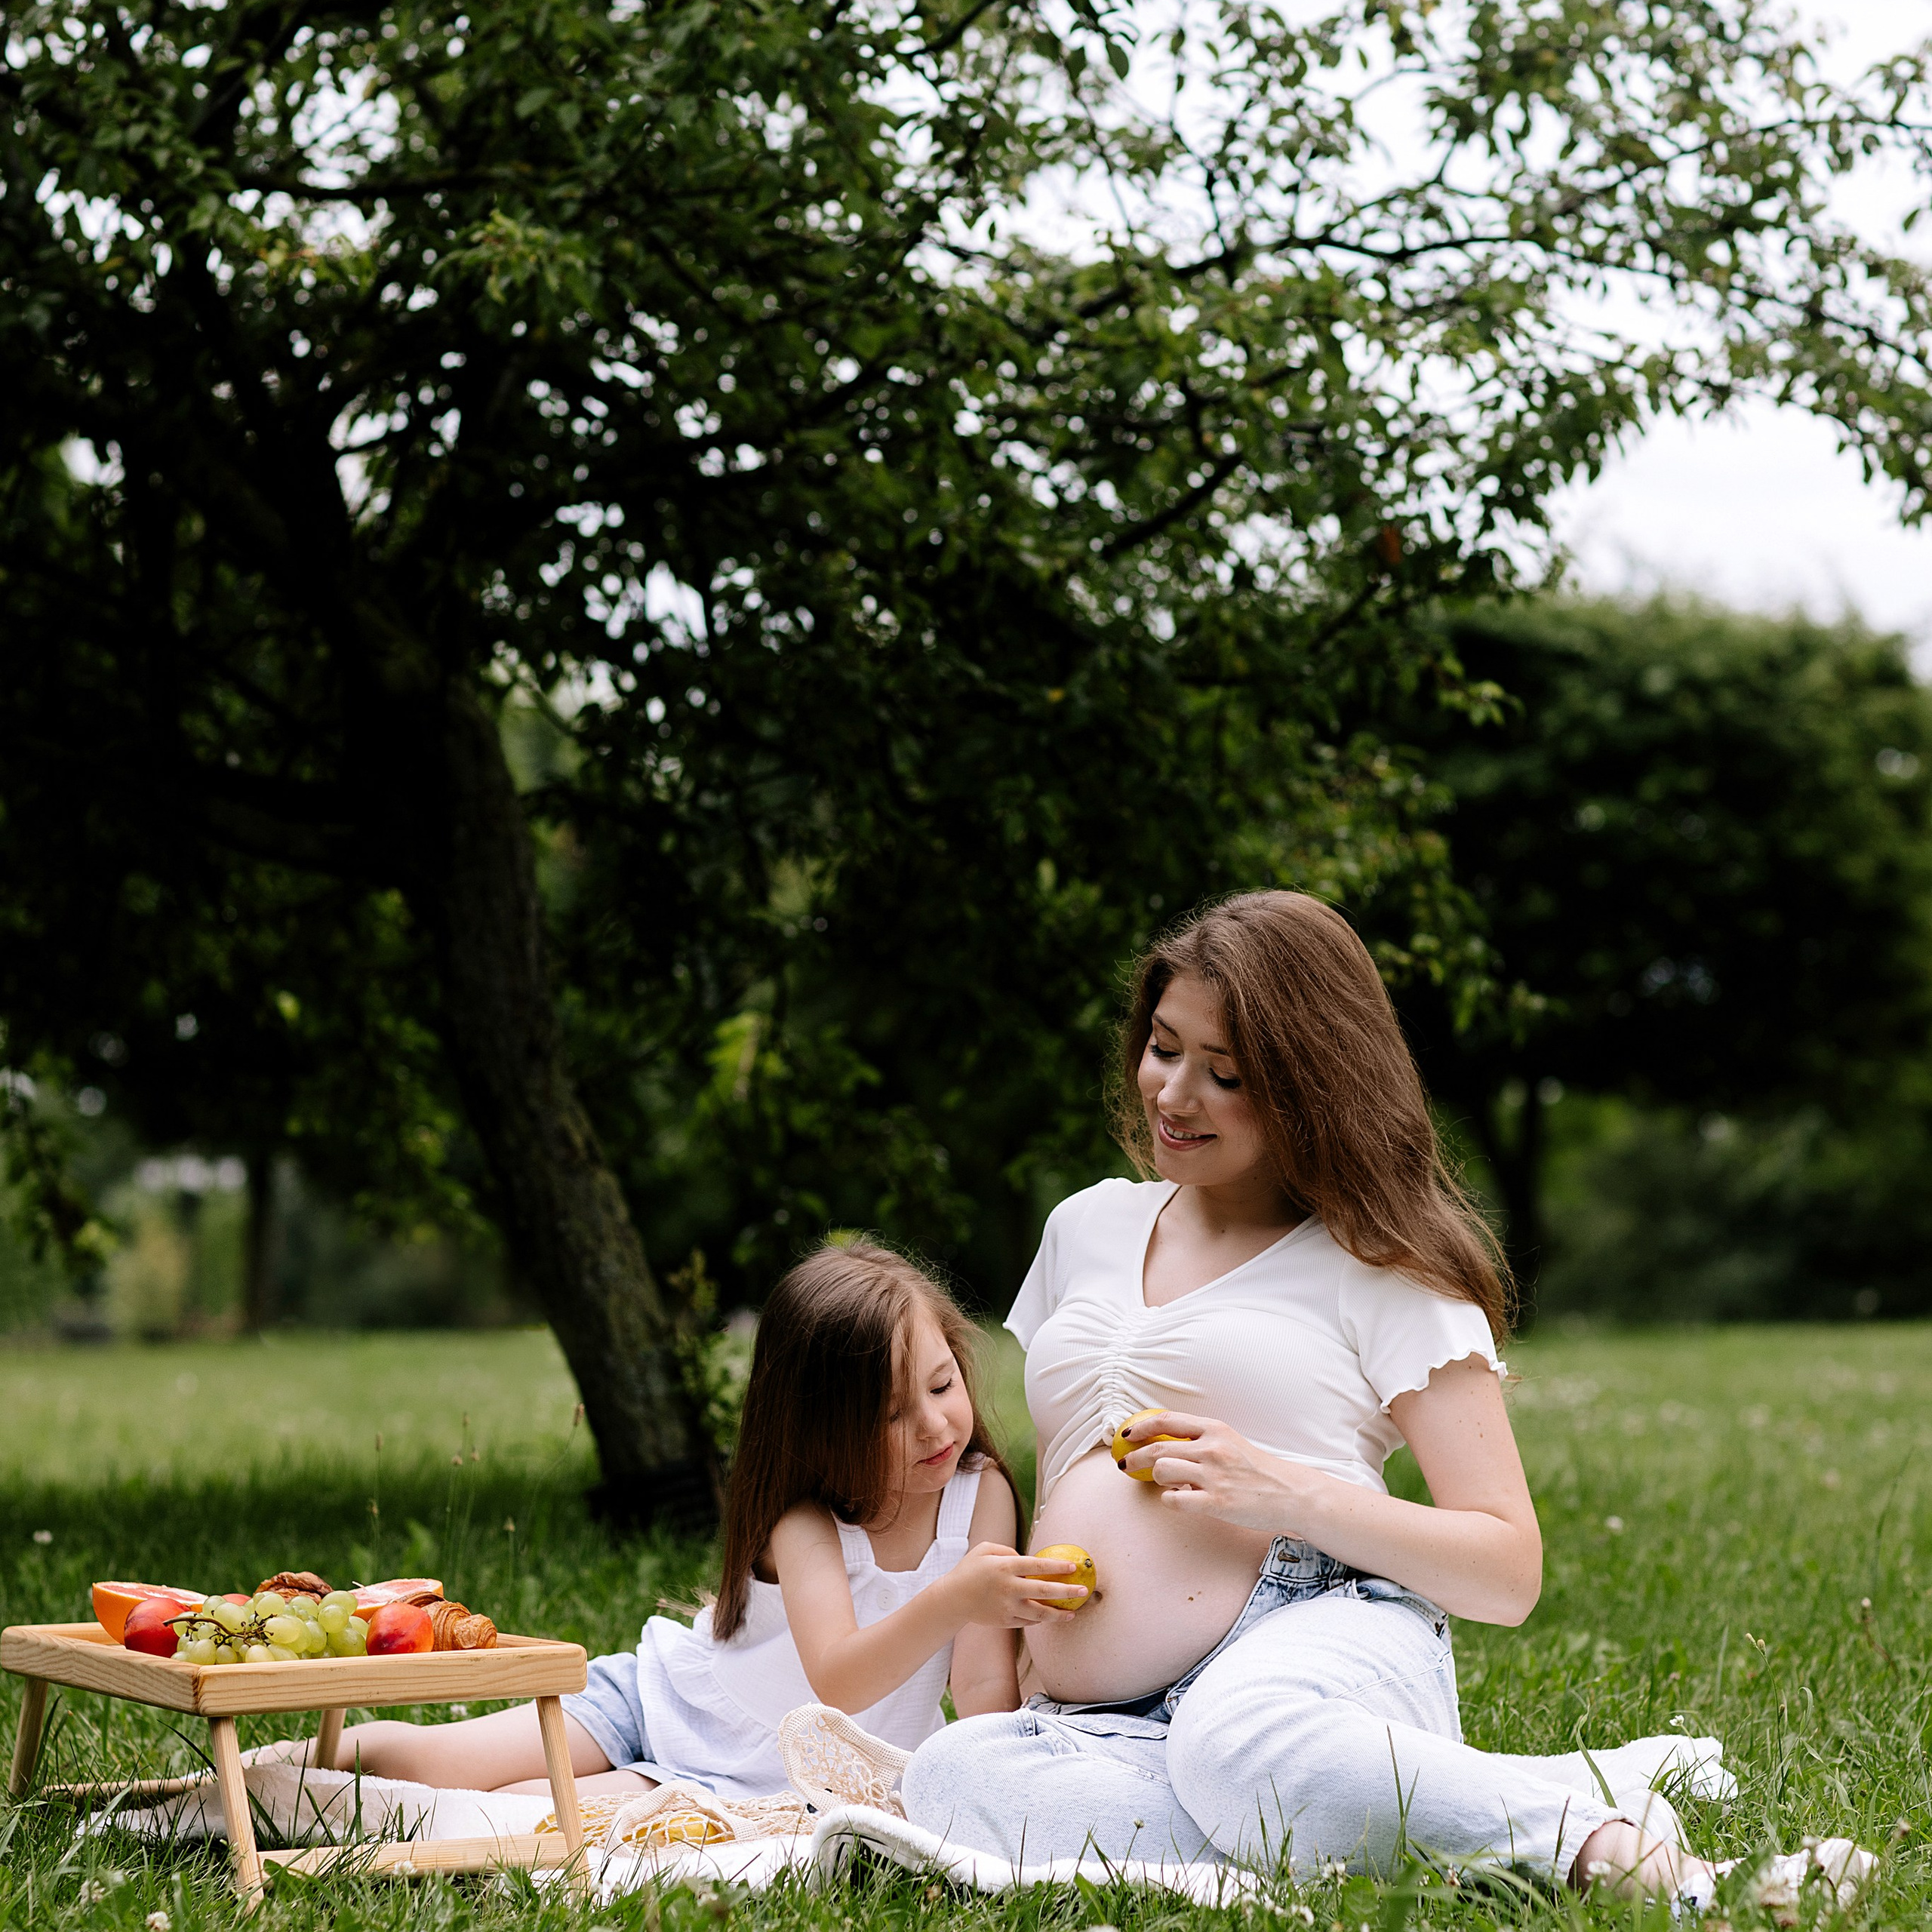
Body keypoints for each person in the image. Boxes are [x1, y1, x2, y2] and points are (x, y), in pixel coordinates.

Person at [897, 891, 1809, 1904]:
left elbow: (1506, 1571)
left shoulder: (1381, 1266)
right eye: (1163, 1049)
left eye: (1225, 1073)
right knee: (951, 1777)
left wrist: (1284, 1491)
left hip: (1317, 1630)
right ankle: (1455, 1812)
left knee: (1235, 1744)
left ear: (1309, 1084)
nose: (1173, 1093)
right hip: (1110, 1720)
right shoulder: (1085, 1229)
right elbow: (1070, 1463)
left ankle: (1610, 1852)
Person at [287, 1240, 1084, 1798]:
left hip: (752, 1779)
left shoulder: (979, 1495)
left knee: (534, 1811)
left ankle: (275, 1800)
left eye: (942, 1386)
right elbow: (838, 1675)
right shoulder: (804, 1522)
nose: (935, 1425)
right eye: (888, 1413)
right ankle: (257, 1770)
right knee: (447, 1762)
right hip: (655, 1706)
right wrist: (952, 1598)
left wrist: (988, 1788)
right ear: (819, 1429)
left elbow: (982, 1682)